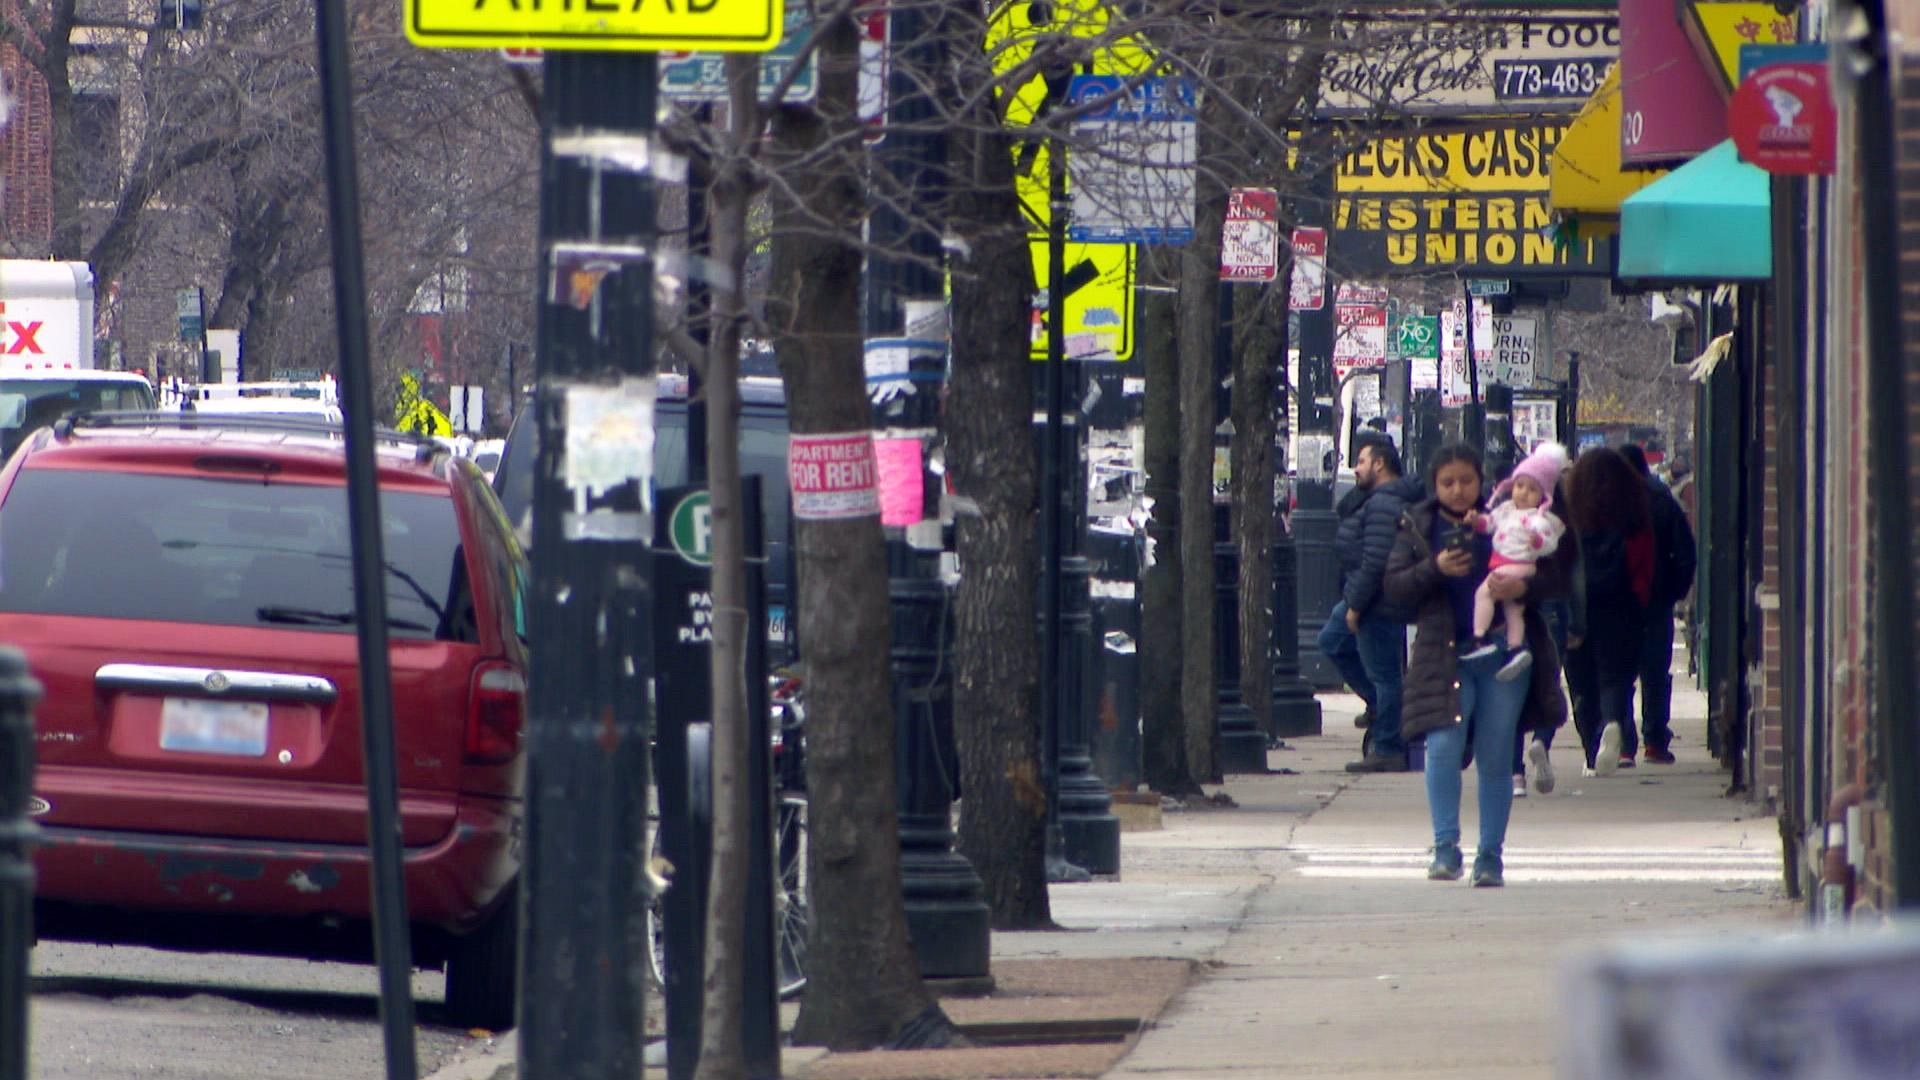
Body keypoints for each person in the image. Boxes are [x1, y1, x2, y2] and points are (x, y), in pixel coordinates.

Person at [1383, 445, 1571, 886]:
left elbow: (1558, 576)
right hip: (1445, 652)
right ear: (1433, 486)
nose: (1457, 490)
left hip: (1504, 655)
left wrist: (1520, 590)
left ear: (1481, 482)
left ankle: (1490, 855)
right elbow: (1393, 587)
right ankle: (1445, 847)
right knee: (1443, 749)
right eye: (1447, 482)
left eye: (1466, 481)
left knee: (1496, 753)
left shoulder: (1509, 517)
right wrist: (1435, 568)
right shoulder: (1417, 525)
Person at [1321, 438, 1424, 773]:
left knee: (1385, 674)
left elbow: (1376, 559)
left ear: (1379, 464)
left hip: (1376, 598)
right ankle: (1382, 710)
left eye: (1362, 461)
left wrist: (1356, 605)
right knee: (1332, 641)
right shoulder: (1377, 499)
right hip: (1367, 592)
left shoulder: (1384, 502)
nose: (1356, 467)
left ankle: (1389, 744)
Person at [1562, 448, 1654, 776]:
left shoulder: (1569, 514)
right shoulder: (1635, 515)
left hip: (1580, 608)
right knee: (1615, 678)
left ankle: (1592, 749)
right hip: (1622, 607)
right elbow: (1644, 564)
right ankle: (1614, 723)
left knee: (1581, 682)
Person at [1463, 442, 1570, 683]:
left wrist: (1537, 542)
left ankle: (1479, 636)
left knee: (1484, 593)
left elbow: (1549, 543)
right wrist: (1476, 521)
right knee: (1513, 608)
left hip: (1515, 564)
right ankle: (1516, 648)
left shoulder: (1538, 518)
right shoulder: (1506, 509)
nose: (1522, 493)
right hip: (1507, 563)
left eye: (1531, 489)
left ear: (1543, 496)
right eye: (1519, 485)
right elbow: (1488, 523)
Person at [1620, 444, 1697, 764]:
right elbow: (1684, 552)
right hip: (1656, 599)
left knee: (1619, 674)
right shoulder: (1662, 500)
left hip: (1618, 601)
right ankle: (1654, 740)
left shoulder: (1608, 501)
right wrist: (1675, 591)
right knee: (1655, 672)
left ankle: (1624, 744)